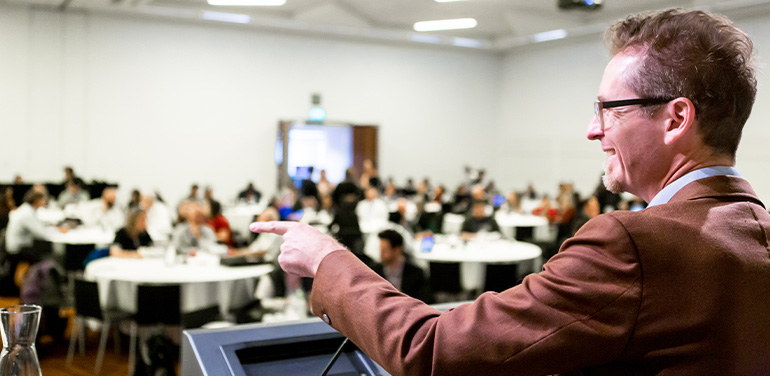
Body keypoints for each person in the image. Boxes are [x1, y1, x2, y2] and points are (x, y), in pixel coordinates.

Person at [251, 9, 770, 374]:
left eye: (608, 109)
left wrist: (327, 259)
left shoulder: (634, 245)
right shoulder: (755, 231)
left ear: (676, 118)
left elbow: (432, 353)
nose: (593, 130)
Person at [372, 230, 431, 303]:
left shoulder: (416, 274)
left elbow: (425, 301)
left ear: (397, 250)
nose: (381, 254)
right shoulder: (374, 271)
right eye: (380, 250)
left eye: (385, 250)